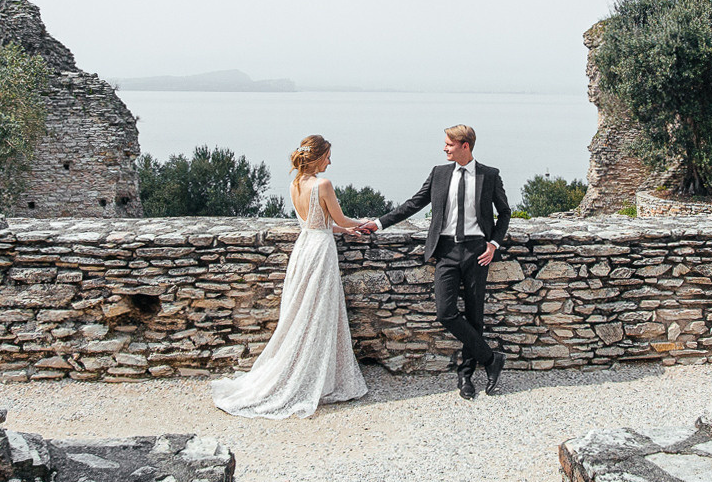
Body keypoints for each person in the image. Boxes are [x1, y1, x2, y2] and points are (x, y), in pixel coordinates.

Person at [209, 135, 370, 419]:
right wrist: (367, 223)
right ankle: (313, 375)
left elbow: (319, 222)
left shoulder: (295, 183)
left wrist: (344, 231)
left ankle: (309, 369)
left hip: (304, 247)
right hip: (320, 251)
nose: (330, 161)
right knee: (318, 310)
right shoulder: (323, 184)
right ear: (318, 157)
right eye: (328, 156)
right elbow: (340, 219)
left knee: (301, 311)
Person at [374, 123, 512, 398]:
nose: (444, 148)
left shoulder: (490, 175)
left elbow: (505, 213)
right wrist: (378, 223)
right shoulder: (439, 173)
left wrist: (494, 244)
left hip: (477, 251)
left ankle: (466, 378)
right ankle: (491, 359)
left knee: (475, 316)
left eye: (449, 144)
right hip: (445, 250)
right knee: (445, 312)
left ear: (465, 145)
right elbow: (413, 204)